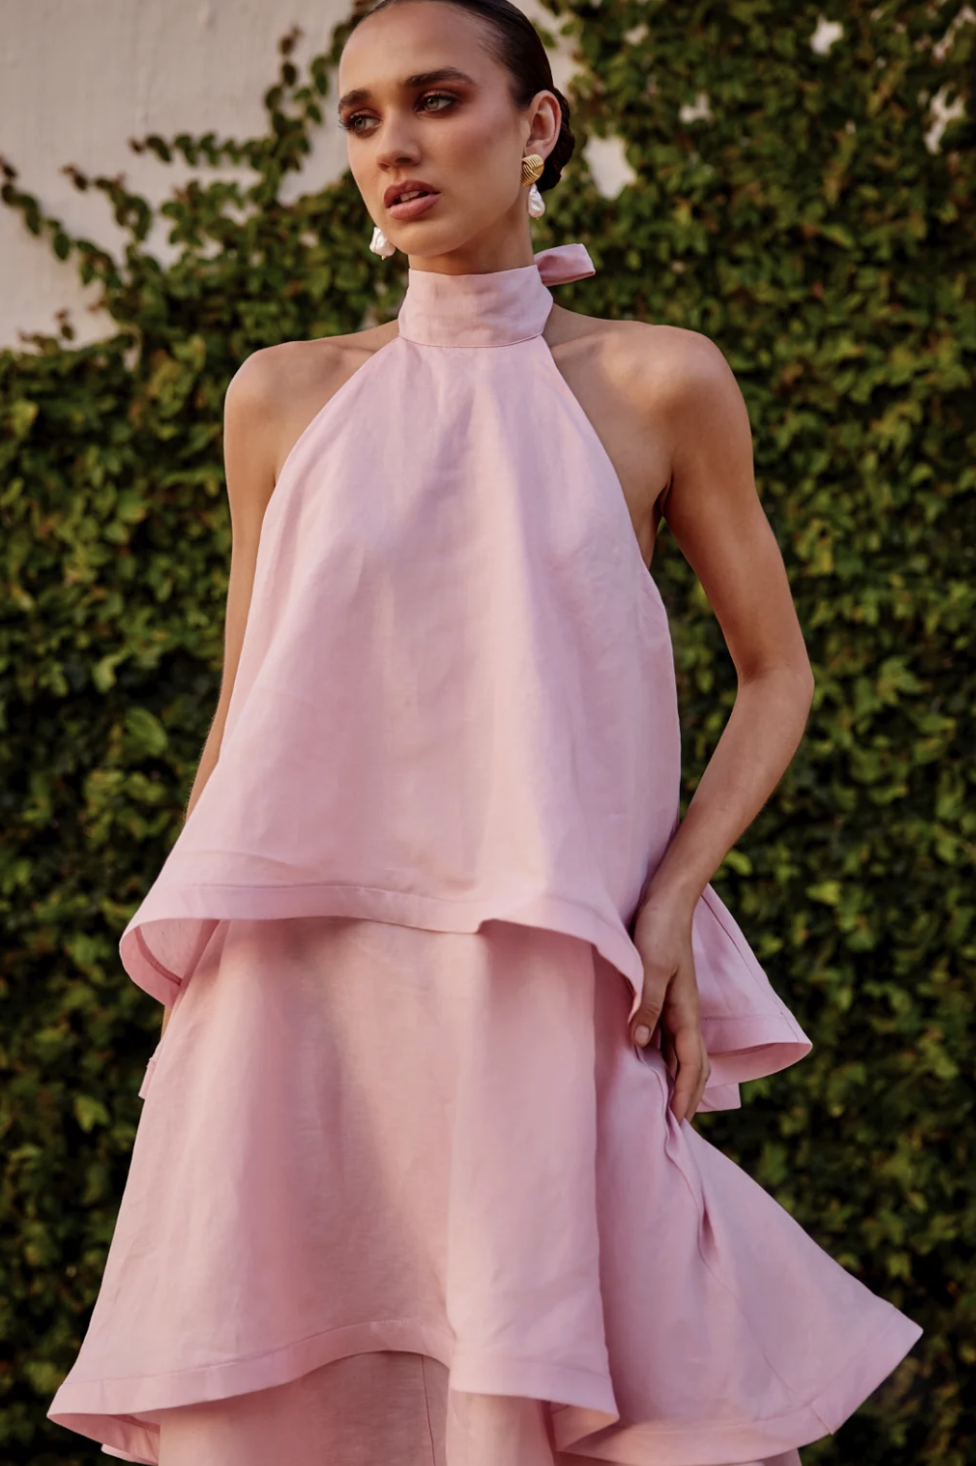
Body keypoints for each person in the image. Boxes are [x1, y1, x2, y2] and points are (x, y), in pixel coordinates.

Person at [48, 0, 924, 1461]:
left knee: (594, 1372)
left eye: (437, 99)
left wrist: (672, 898)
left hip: (542, 965)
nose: (393, 144)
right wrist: (192, 972)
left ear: (537, 126)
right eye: (361, 118)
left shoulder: (661, 381)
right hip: (296, 981)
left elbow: (777, 674)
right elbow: (244, 703)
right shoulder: (278, 395)